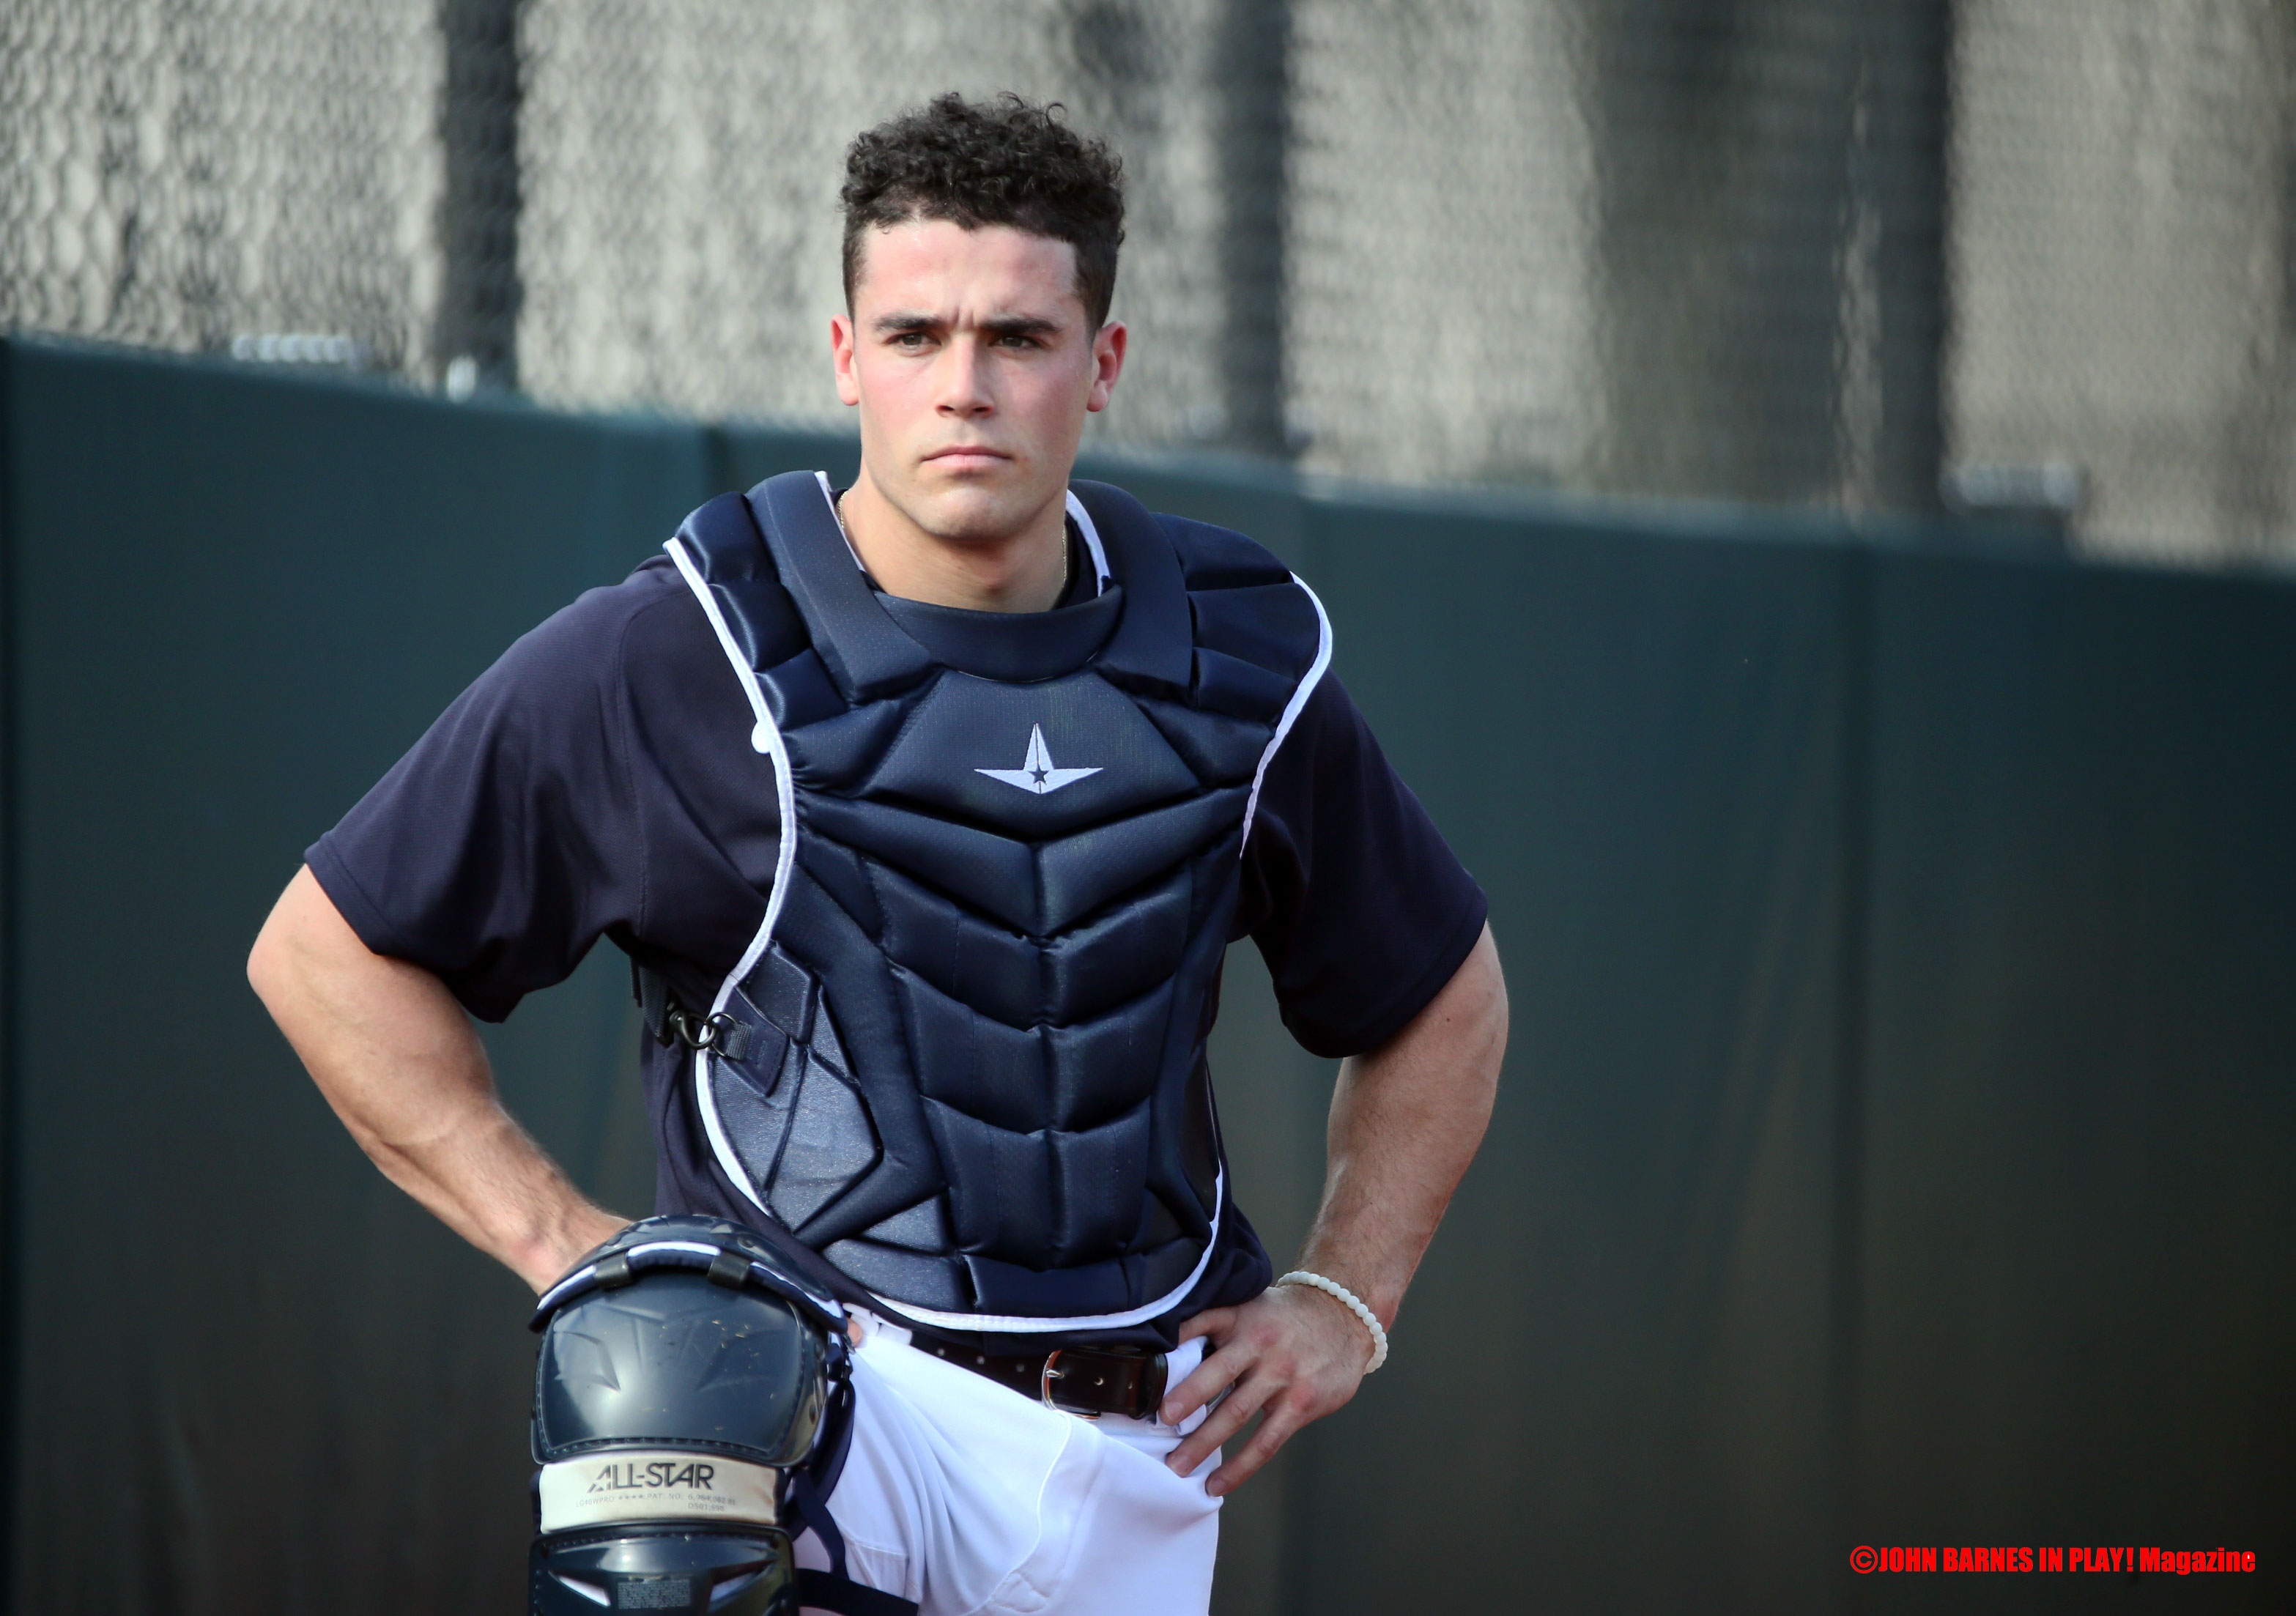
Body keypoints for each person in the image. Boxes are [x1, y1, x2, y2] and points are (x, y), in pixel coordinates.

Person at [248, 92, 1506, 1616]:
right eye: (915, 337)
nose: (963, 387)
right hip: (819, 1409)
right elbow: (325, 953)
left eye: (1018, 338)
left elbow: (1441, 995)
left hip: (1146, 1435)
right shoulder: (683, 648)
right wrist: (570, 1245)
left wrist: (1343, 1296)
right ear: (847, 356)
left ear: (1102, 363)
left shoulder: (1230, 663)